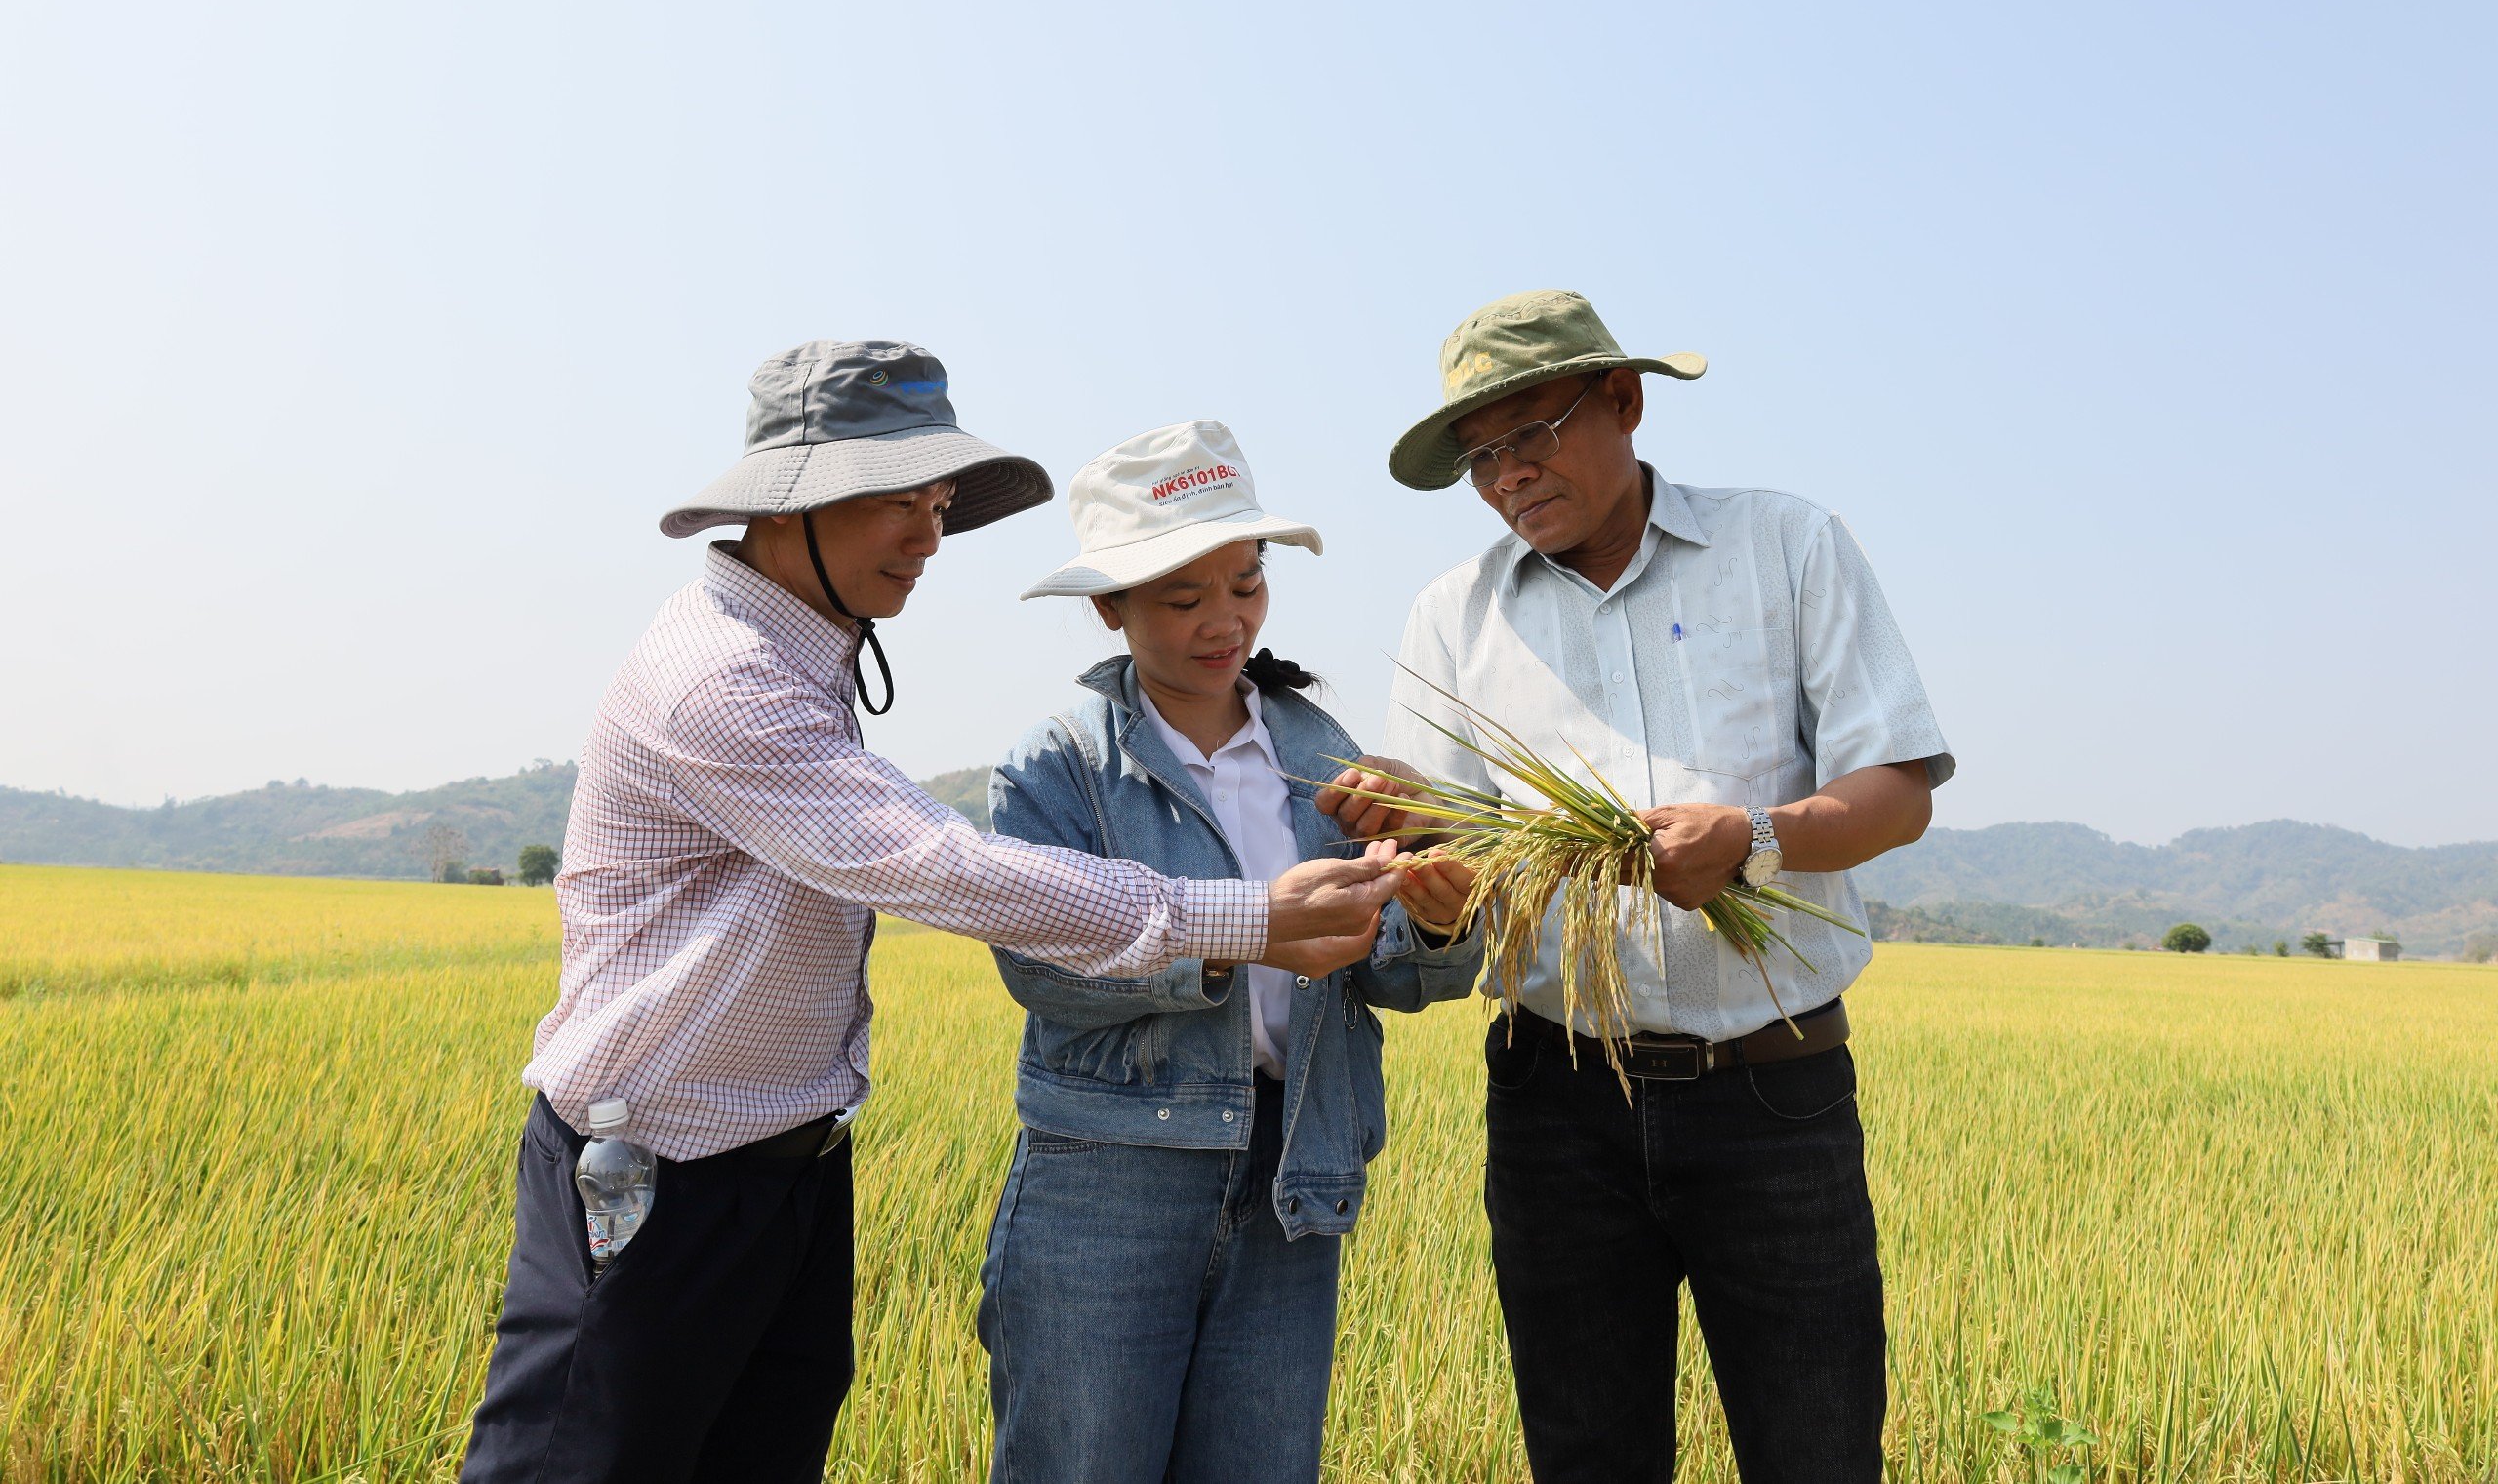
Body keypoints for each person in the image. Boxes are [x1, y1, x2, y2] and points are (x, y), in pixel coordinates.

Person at [458, 342, 1403, 1484]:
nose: (927, 537)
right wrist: (1246, 921)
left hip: (787, 1166)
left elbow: (1399, 965)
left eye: (939, 501)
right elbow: (934, 865)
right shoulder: (724, 678)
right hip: (659, 1174)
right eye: (889, 502)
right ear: (788, 504)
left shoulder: (808, 658)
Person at [1323, 291, 1954, 1483]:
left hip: (1775, 1093)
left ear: (1624, 400)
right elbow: (1458, 885)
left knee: (1816, 1451)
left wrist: (1753, 839)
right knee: (1586, 1455)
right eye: (1479, 458)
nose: (1507, 476)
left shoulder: (1785, 545)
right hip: (1555, 1100)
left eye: (1531, 434)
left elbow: (1897, 794)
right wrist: (1418, 873)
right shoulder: (1452, 618)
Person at [976, 421, 1485, 1484]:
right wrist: (1248, 932)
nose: (1225, 621)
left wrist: (1437, 918)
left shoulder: (1325, 759)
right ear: (1109, 608)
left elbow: (1394, 971)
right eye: (1182, 598)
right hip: (1107, 1178)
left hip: (1292, 1175)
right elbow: (1044, 971)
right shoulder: (1058, 766)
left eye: (1246, 584)